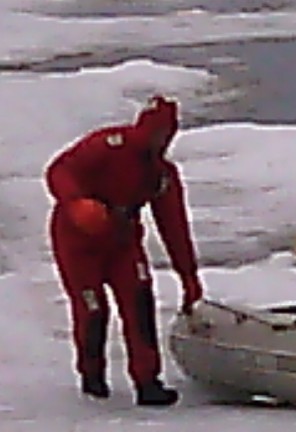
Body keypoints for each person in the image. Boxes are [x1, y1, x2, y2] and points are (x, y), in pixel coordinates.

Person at [44, 94, 204, 406]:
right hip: (77, 241)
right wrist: (76, 203)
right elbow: (60, 170)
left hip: (122, 242)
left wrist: (188, 275)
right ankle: (92, 377)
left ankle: (147, 381)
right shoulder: (107, 145)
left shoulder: (161, 176)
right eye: (156, 133)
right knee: (93, 309)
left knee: (139, 301)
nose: (161, 140)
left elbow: (173, 225)